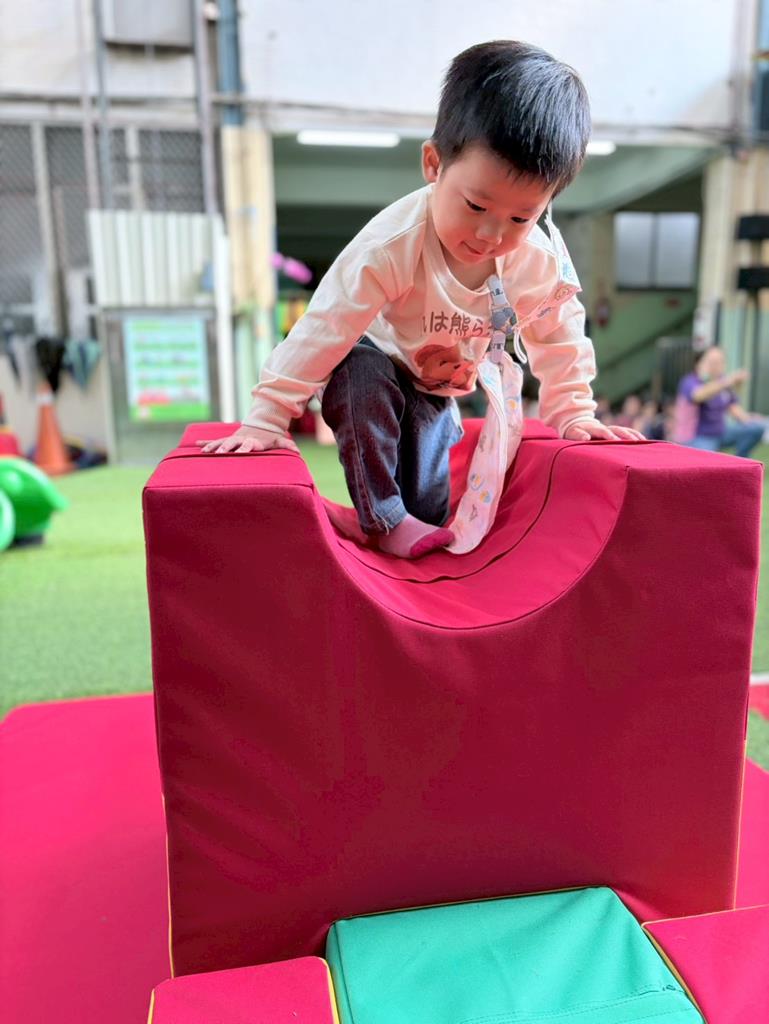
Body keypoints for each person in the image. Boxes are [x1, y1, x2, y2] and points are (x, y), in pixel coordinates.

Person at [198, 41, 644, 557]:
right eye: (475, 205)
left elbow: (558, 333)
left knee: (429, 513)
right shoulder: (389, 245)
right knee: (358, 373)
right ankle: (382, 516)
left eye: (521, 217)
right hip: (376, 363)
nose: (491, 234)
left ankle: (398, 516)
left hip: (437, 390)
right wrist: (267, 416)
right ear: (434, 164)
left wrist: (575, 413)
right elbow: (326, 325)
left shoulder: (534, 261)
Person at [674, 346, 765, 458]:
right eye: (712, 362)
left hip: (721, 432)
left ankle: (741, 461)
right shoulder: (690, 381)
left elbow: (734, 408)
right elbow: (698, 396)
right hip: (698, 436)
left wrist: (751, 420)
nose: (716, 366)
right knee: (708, 464)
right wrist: (727, 381)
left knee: (756, 429)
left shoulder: (722, 382)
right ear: (700, 363)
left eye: (720, 362)